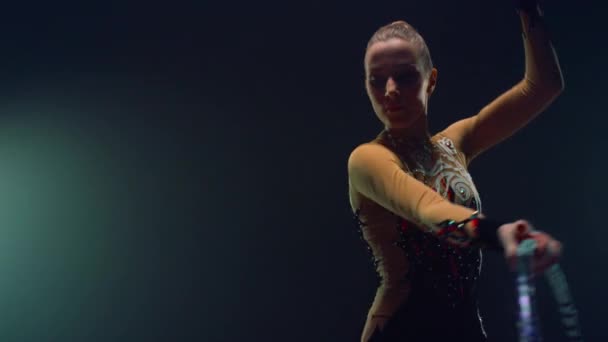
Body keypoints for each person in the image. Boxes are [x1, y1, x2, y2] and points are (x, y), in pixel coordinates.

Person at [347, 1, 564, 341]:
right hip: (401, 329)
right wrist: (498, 234)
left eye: (405, 76)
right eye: (377, 80)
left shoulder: (455, 142)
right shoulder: (368, 159)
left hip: (465, 327)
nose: (390, 90)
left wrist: (528, 10)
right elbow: (428, 209)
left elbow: (543, 86)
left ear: (431, 80)